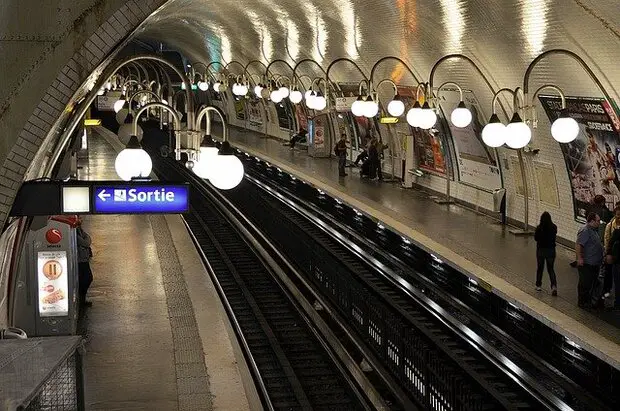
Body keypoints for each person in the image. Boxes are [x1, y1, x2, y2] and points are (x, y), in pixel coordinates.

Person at [576, 212, 604, 308]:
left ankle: (589, 301)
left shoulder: (594, 230)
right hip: (587, 263)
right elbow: (579, 245)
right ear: (592, 221)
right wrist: (580, 258)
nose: (599, 222)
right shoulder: (585, 231)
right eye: (597, 221)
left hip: (594, 263)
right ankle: (582, 302)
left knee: (592, 283)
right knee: (585, 283)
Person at [534, 212, 558, 296]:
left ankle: (538, 285)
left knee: (540, 268)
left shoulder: (539, 228)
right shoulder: (554, 227)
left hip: (541, 250)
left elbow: (536, 238)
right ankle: (554, 286)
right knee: (551, 269)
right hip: (551, 250)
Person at [603, 206, 620, 297]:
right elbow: (607, 240)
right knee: (609, 274)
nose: (619, 217)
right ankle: (607, 290)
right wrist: (607, 253)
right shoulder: (610, 226)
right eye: (617, 215)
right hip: (613, 255)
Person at [76, 218, 93, 307]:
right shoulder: (75, 232)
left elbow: (88, 239)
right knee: (86, 279)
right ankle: (81, 299)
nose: (81, 220)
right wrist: (86, 239)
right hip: (80, 260)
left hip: (84, 259)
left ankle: (82, 298)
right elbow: (86, 242)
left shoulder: (79, 230)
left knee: (87, 279)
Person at [605, 226, 620, 310]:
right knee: (618, 284)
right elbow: (610, 243)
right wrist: (609, 254)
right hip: (618, 263)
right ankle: (618, 303)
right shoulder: (618, 231)